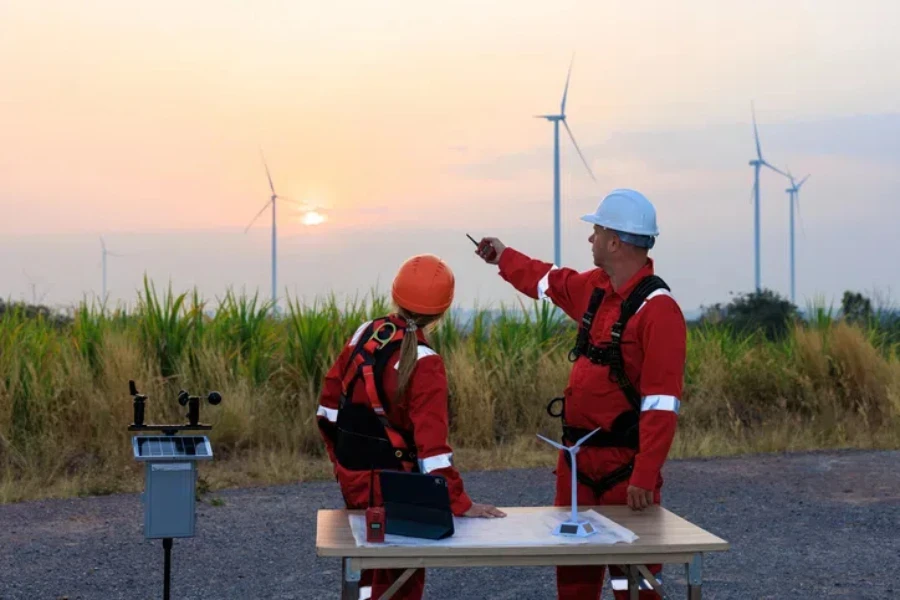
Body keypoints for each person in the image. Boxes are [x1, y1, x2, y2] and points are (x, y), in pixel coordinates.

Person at [474, 189, 686, 600]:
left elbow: (661, 405)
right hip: (576, 466)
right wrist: (502, 256)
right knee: (574, 576)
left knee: (635, 578)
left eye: (596, 231)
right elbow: (548, 281)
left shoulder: (660, 312)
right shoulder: (595, 289)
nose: (589, 239)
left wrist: (644, 475)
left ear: (615, 241)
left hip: (625, 472)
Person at [316, 253, 506, 600]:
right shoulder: (425, 361)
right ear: (443, 311)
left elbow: (328, 408)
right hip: (397, 488)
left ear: (395, 294)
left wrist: (343, 463)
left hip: (353, 478)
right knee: (400, 579)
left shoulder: (365, 333)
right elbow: (432, 453)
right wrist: (460, 503)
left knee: (365, 568)